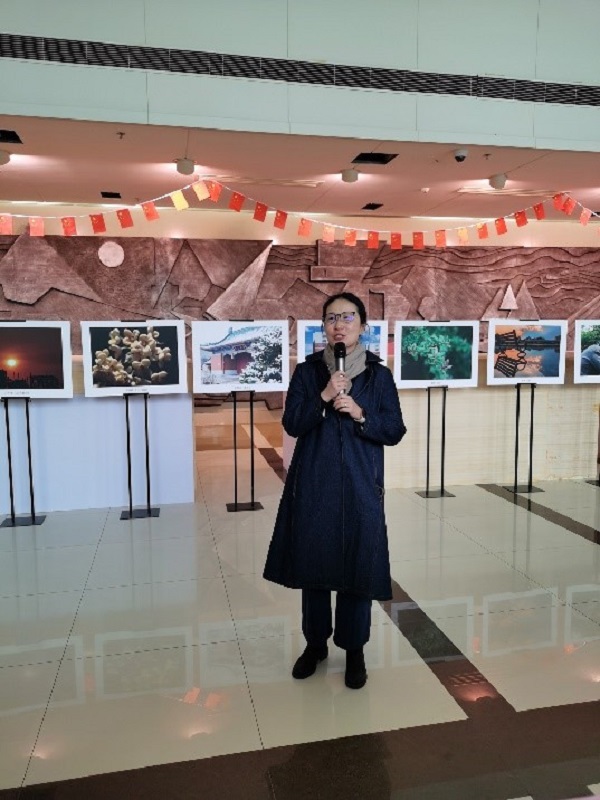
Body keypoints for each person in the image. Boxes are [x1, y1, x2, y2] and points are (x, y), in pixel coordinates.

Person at [263, 292, 406, 689]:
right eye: (331, 318)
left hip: (361, 486)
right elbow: (292, 423)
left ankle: (354, 650)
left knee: (358, 569)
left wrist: (361, 414)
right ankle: (315, 645)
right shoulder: (308, 373)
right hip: (314, 484)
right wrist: (324, 397)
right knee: (314, 569)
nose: (339, 324)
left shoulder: (378, 376)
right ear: (323, 327)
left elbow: (394, 430)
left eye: (347, 317)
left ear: (363, 325)